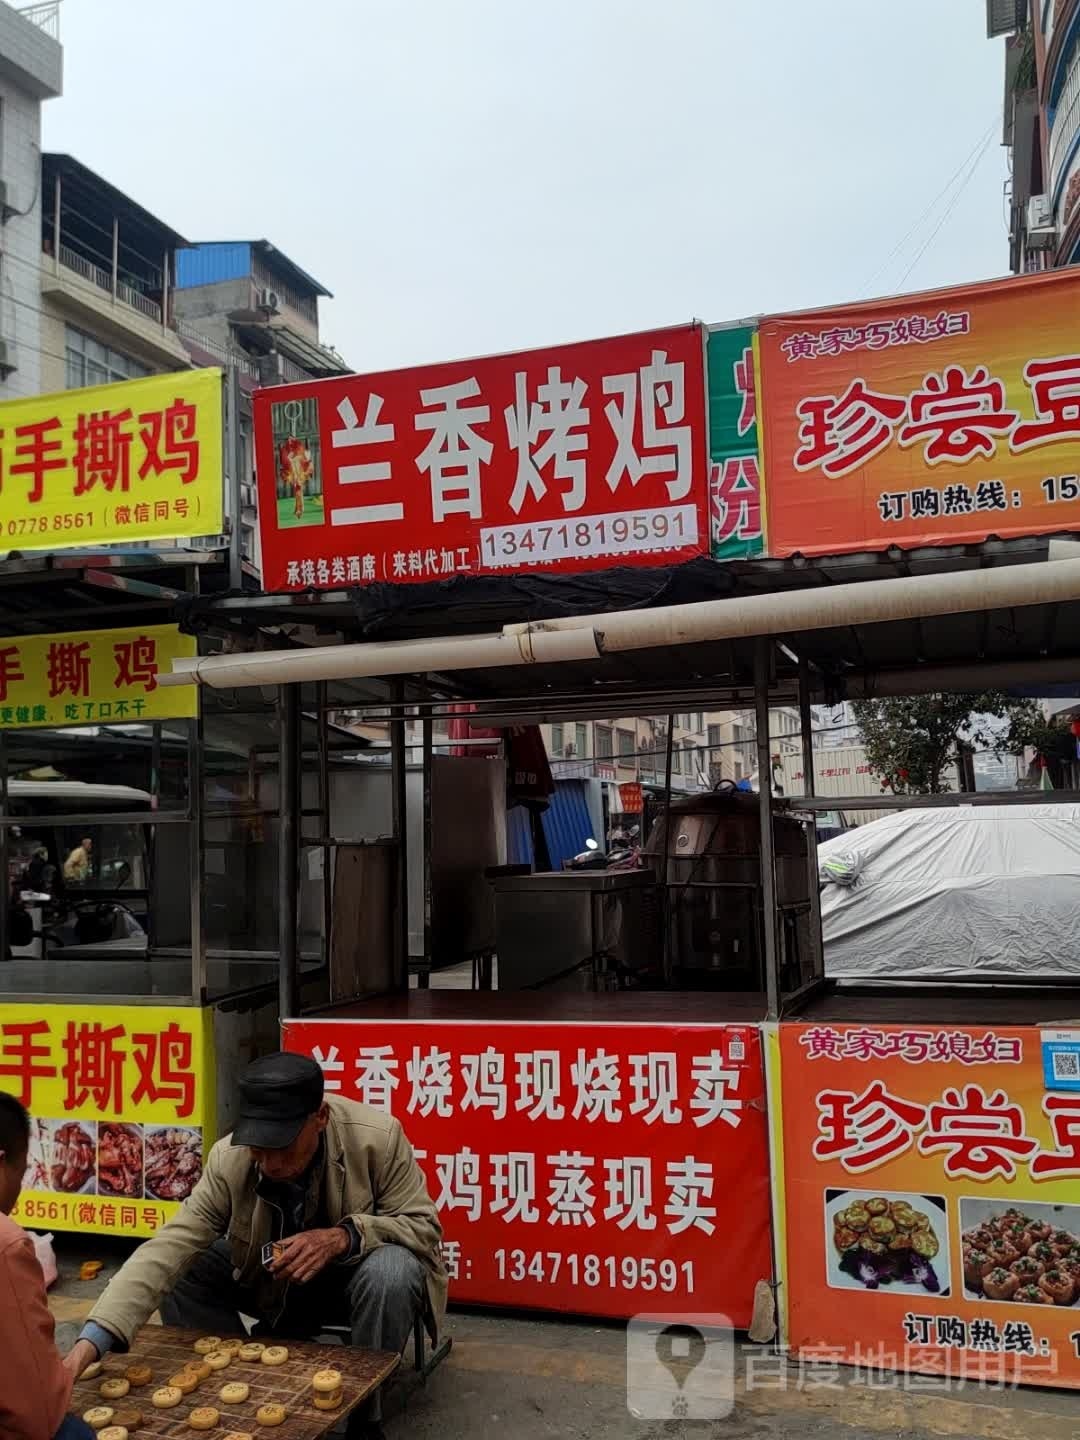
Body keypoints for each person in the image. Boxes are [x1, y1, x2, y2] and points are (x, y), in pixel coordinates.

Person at [65, 1053, 447, 1437]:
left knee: (393, 1270)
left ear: (320, 1118)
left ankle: (366, 1417)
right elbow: (167, 1248)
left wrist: (342, 1237)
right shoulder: (229, 1158)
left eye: (283, 1147)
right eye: (259, 1148)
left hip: (352, 1286)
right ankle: (234, 1382)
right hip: (271, 1283)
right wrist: (86, 1347)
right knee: (186, 1263)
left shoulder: (377, 1139)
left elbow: (422, 1226)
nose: (270, 1164)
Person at [0, 1092, 93, 1440]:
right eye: (22, 1171)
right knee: (72, 1432)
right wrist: (72, 1366)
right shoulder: (6, 1244)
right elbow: (35, 1411)